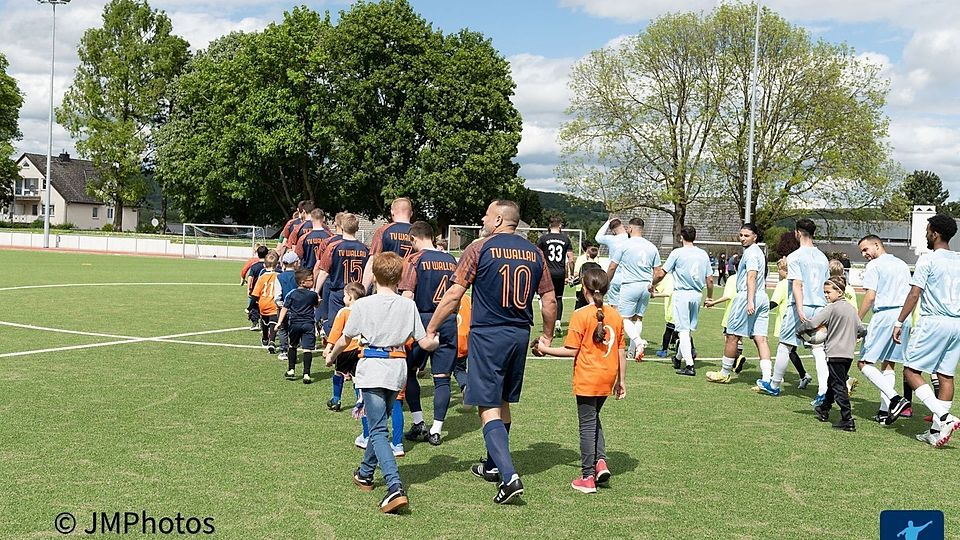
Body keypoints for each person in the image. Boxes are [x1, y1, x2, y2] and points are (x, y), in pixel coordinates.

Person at [426, 200, 557, 505]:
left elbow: (455, 293)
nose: (483, 219)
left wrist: (431, 328)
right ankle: (492, 464)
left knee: (488, 406)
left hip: (488, 334)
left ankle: (509, 477)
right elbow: (549, 301)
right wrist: (547, 336)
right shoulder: (535, 252)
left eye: (486, 214)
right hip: (519, 335)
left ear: (498, 219)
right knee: (502, 400)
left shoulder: (480, 248)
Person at [327, 251, 438, 514]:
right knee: (381, 423)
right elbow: (424, 342)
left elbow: (345, 338)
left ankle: (394, 486)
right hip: (397, 368)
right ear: (400, 277)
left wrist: (332, 356)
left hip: (373, 367)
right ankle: (365, 472)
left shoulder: (363, 305)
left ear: (374, 276)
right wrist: (435, 342)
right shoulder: (407, 305)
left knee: (377, 431)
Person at [533, 267, 626, 494]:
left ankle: (587, 476)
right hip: (608, 376)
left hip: (588, 377)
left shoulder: (581, 314)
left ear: (584, 289)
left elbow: (571, 350)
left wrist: (545, 349)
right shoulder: (615, 314)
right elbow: (622, 351)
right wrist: (621, 381)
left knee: (586, 425)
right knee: (593, 418)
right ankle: (600, 461)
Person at [894, 214, 960, 447]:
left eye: (928, 230)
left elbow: (914, 293)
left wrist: (899, 321)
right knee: (945, 375)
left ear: (936, 233)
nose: (926, 234)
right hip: (956, 324)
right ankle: (935, 432)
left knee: (910, 371)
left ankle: (944, 418)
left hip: (934, 321)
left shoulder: (927, 259)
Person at [399, 221, 460, 446]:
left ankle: (419, 422)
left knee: (410, 371)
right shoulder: (451, 259)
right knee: (442, 378)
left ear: (414, 239)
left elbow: (407, 295)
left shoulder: (415, 260)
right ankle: (437, 429)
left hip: (422, 319)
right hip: (448, 320)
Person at [757, 219, 830, 402]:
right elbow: (827, 285)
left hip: (800, 307)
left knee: (785, 345)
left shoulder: (795, 256)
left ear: (797, 232)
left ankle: (774, 385)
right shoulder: (823, 257)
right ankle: (823, 390)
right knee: (818, 349)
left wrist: (799, 308)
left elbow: (797, 284)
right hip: (820, 306)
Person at [856, 235, 913, 425]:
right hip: (903, 317)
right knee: (888, 364)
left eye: (865, 249)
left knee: (864, 363)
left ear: (877, 245)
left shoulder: (874, 265)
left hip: (885, 315)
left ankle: (896, 399)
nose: (864, 254)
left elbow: (870, 297)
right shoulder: (902, 264)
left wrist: (857, 319)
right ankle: (884, 410)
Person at [705, 224, 771, 384]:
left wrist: (749, 301)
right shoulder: (758, 253)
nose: (742, 238)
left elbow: (751, 277)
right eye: (741, 235)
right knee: (760, 338)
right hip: (762, 296)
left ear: (755, 237)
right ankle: (768, 378)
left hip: (748, 296)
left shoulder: (752, 254)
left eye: (746, 235)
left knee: (732, 335)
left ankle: (724, 372)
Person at [801, 275, 867, 432]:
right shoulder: (851, 309)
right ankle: (824, 409)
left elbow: (813, 323)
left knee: (838, 385)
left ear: (839, 291)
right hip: (849, 354)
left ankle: (847, 419)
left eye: (828, 292)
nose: (826, 295)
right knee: (833, 381)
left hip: (835, 352)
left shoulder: (831, 308)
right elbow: (861, 330)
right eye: (825, 292)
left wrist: (800, 330)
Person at [652, 225, 713, 376]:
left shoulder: (677, 253)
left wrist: (651, 284)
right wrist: (710, 296)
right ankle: (678, 357)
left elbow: (661, 274)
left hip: (682, 294)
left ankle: (690, 365)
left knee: (683, 330)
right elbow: (710, 279)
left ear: (681, 237)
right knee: (687, 329)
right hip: (697, 294)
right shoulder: (703, 254)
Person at [606, 218, 660, 361]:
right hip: (646, 286)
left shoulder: (625, 245)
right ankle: (632, 351)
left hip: (630, 284)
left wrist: (605, 282)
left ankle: (637, 343)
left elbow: (612, 267)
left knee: (624, 318)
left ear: (630, 229)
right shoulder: (652, 247)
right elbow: (658, 272)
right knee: (638, 318)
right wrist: (654, 284)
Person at [314, 213, 370, 336]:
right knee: (357, 327)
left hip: (338, 291)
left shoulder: (333, 247)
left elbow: (323, 271)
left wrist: (316, 290)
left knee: (335, 326)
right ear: (356, 228)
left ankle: (334, 349)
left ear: (341, 227)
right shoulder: (365, 249)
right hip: (357, 292)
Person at [766, 257, 812, 388]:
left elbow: (774, 302)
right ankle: (803, 375)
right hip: (800, 319)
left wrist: (761, 310)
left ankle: (776, 378)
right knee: (792, 350)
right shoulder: (801, 282)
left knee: (785, 349)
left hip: (786, 321)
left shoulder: (783, 284)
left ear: (782, 270)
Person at [324, 281, 366, 411]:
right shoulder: (364, 311)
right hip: (360, 348)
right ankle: (360, 399)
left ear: (349, 297)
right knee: (356, 376)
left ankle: (336, 399)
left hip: (345, 348)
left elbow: (336, 331)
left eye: (344, 296)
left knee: (339, 372)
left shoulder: (344, 312)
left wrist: (329, 348)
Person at [276, 269, 320, 384]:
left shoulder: (291, 294)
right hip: (308, 324)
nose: (313, 282)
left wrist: (279, 322)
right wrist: (319, 302)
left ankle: (291, 370)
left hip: (294, 324)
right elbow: (316, 305)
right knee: (307, 349)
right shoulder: (313, 295)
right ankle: (306, 374)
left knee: (292, 345)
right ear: (302, 282)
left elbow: (285, 308)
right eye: (310, 280)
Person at [362, 197, 414, 290]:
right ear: (411, 213)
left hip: (387, 285)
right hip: (410, 286)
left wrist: (363, 289)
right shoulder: (418, 233)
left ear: (392, 212)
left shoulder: (384, 231)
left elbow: (372, 261)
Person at [537, 216, 574, 330]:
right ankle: (557, 321)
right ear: (560, 226)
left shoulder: (543, 239)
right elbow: (571, 259)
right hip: (560, 272)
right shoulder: (566, 239)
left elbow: (537, 255)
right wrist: (571, 274)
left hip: (546, 272)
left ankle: (548, 321)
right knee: (558, 297)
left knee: (544, 297)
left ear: (549, 225)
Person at [594, 218, 628, 308]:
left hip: (615, 277)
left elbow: (597, 237)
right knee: (627, 307)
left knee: (614, 306)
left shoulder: (611, 239)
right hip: (629, 277)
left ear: (613, 231)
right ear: (622, 226)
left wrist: (607, 222)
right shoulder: (630, 238)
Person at [251, 252, 281, 353]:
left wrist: (250, 306)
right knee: (273, 321)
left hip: (263, 303)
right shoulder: (279, 276)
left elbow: (255, 293)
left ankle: (265, 339)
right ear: (277, 265)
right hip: (274, 303)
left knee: (265, 322)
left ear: (264, 265)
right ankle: (272, 340)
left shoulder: (262, 277)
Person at [274, 251, 300, 363]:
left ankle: (283, 350)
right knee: (294, 329)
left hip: (283, 308)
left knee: (283, 329)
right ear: (295, 263)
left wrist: (280, 304)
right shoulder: (299, 276)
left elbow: (277, 295)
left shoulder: (279, 277)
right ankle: (293, 349)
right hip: (297, 308)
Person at [245, 245, 270, 331]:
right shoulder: (270, 266)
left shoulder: (254, 266)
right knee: (265, 306)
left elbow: (250, 278)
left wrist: (249, 289)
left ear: (258, 254)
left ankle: (255, 322)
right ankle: (264, 323)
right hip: (267, 290)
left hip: (256, 290)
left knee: (255, 306)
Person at [573, 242, 603, 309]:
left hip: (585, 290)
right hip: (595, 289)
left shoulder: (584, 266)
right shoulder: (598, 266)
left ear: (588, 255)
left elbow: (581, 278)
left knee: (580, 308)